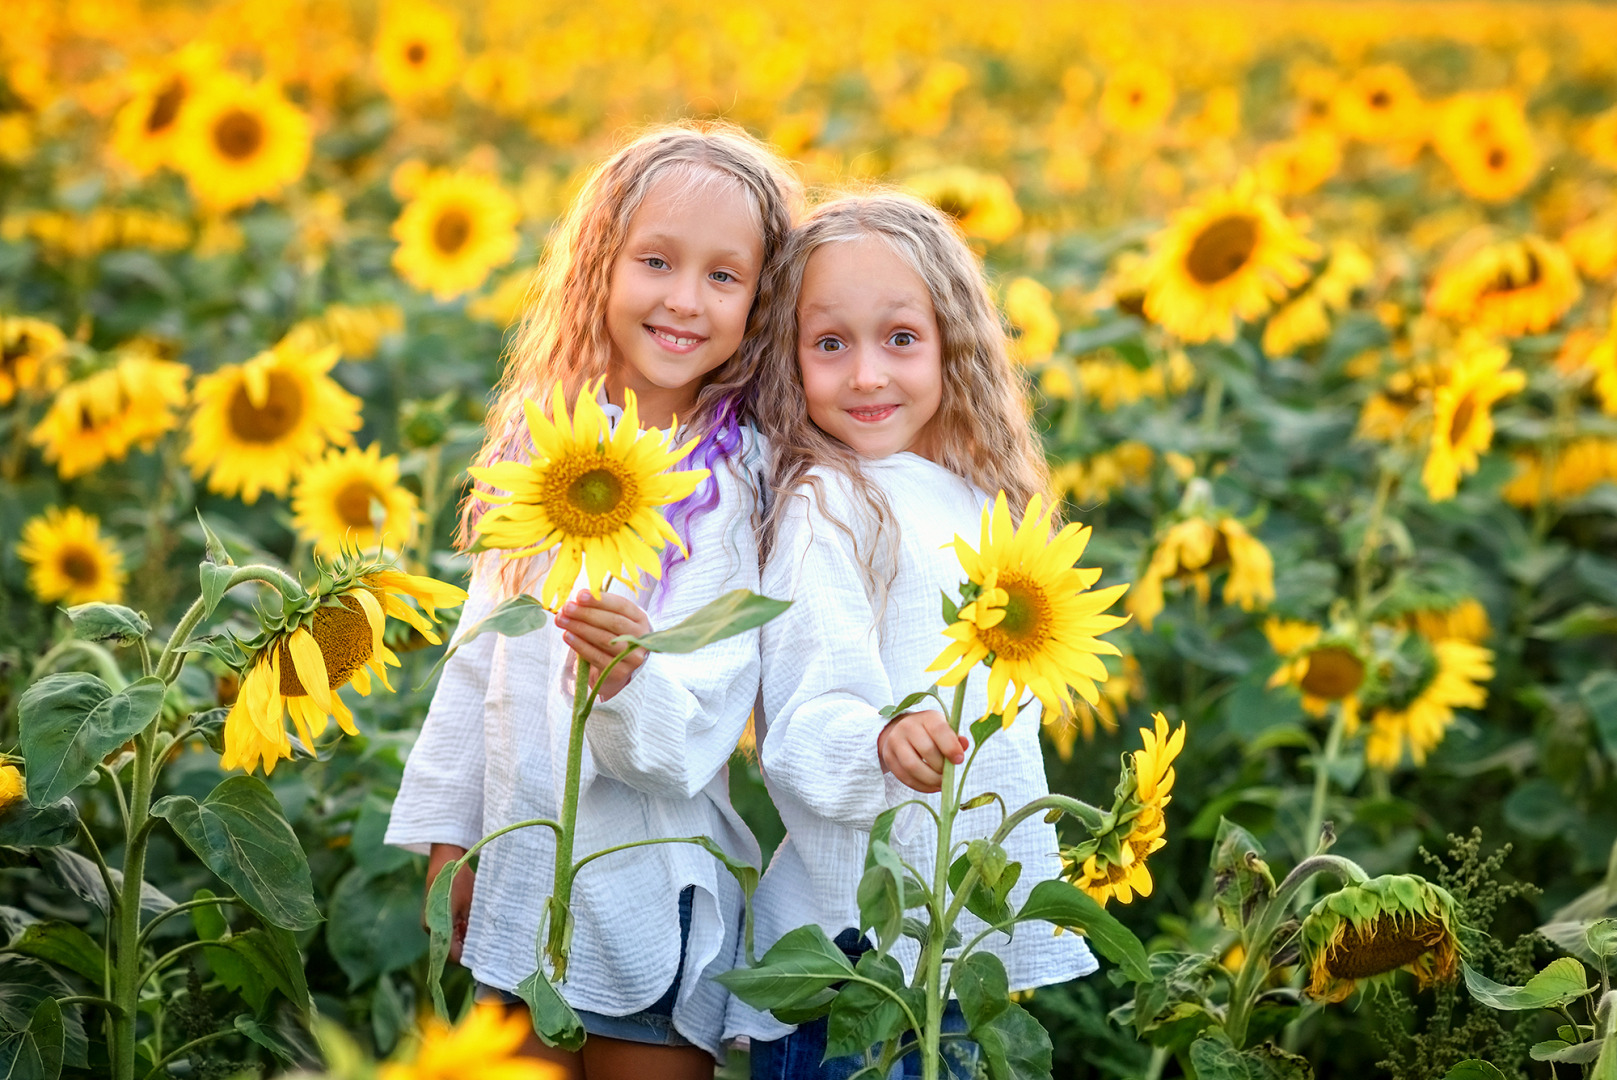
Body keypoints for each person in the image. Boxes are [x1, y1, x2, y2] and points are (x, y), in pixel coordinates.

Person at [385, 122, 800, 1080]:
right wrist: (453, 833)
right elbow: (480, 660)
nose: (684, 300)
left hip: (650, 889)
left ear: (760, 303)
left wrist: (627, 674)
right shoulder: (540, 453)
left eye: (723, 277)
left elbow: (691, 738)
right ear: (598, 268)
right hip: (520, 881)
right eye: (656, 260)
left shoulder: (742, 487)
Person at [731, 193, 1097, 1079]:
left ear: (952, 345)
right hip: (856, 958)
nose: (866, 376)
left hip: (952, 939)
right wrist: (880, 742)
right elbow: (806, 720)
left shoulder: (981, 506)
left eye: (899, 339)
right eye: (829, 344)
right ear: (787, 359)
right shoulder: (831, 506)